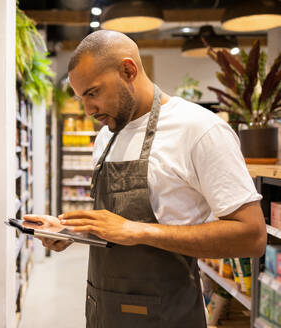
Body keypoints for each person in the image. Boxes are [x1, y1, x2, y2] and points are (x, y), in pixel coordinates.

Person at [25, 30, 266, 327]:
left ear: (128, 70)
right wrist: (72, 232)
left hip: (168, 317)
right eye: (81, 97)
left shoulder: (199, 130)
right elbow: (117, 229)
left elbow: (252, 236)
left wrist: (139, 231)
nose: (87, 109)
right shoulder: (105, 137)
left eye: (92, 93)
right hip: (102, 313)